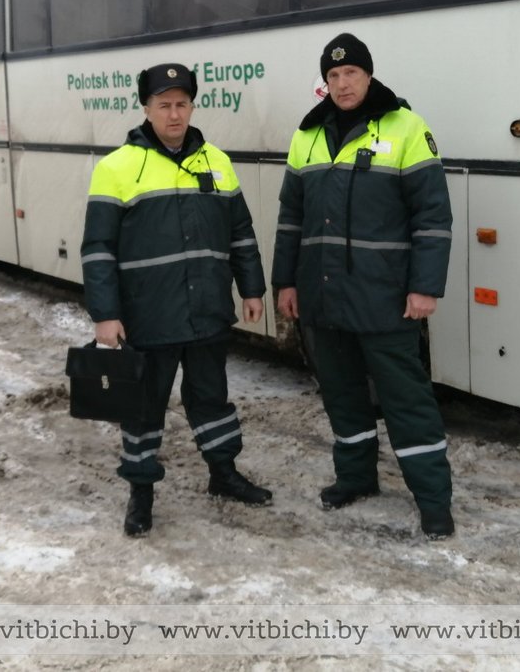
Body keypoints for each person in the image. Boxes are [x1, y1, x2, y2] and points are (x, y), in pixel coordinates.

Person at [272, 33, 456, 540]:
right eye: (332, 76)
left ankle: (434, 501)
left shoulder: (405, 127)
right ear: (325, 83)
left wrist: (425, 287)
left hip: (385, 298)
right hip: (322, 296)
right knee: (341, 394)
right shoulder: (306, 135)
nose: (342, 83)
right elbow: (290, 219)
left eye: (350, 73)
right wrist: (284, 282)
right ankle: (356, 479)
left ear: (368, 76)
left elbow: (432, 216)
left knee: (406, 400)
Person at [81, 63, 272, 537]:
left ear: (192, 106)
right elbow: (97, 249)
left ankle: (223, 475)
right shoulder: (115, 168)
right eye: (164, 104)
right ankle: (140, 494)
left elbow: (241, 234)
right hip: (148, 317)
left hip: (207, 312)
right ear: (146, 108)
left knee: (212, 399)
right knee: (144, 408)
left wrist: (252, 288)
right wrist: (105, 315)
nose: (174, 114)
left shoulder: (217, 163)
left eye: (181, 104)